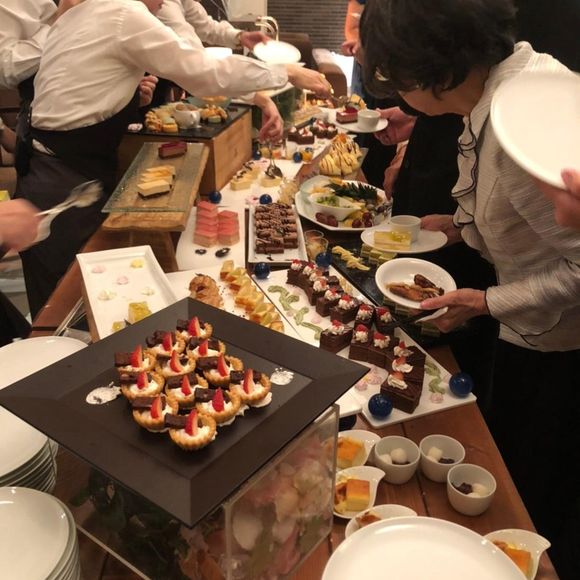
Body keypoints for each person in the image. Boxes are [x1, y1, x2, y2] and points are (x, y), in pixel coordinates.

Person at [360, 1, 580, 578]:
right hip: (527, 323)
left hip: (557, 341)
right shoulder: (500, 90)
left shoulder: (522, 125)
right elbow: (518, 215)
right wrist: (458, 226)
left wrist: (484, 303)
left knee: (529, 488)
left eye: (395, 74)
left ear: (428, 67)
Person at [15, 0, 331, 318]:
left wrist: (128, 97)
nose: (165, 2)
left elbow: (79, 91)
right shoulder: (124, 14)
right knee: (66, 310)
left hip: (50, 170)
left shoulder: (87, 11)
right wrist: (286, 72)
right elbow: (202, 72)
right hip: (63, 182)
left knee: (79, 300)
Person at [157, 0, 284, 142]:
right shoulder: (163, 5)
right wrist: (288, 73)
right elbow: (203, 68)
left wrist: (240, 36)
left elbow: (207, 26)